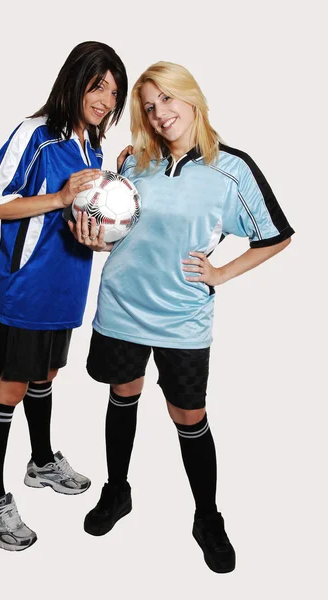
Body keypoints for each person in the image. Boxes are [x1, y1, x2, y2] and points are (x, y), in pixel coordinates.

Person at [75, 61, 294, 573]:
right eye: (148, 107)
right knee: (122, 395)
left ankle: (207, 517)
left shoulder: (231, 168)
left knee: (188, 417)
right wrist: (94, 226)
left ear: (191, 98)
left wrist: (220, 273)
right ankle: (117, 492)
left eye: (167, 100)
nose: (159, 113)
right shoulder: (135, 164)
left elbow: (276, 235)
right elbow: (114, 228)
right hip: (121, 309)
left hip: (181, 320)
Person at [0, 41, 128, 552]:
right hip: (27, 288)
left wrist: (106, 209)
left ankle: (41, 462)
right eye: (98, 84)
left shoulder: (94, 146)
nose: (105, 98)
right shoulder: (35, 133)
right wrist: (59, 197)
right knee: (10, 386)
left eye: (114, 92)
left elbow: (86, 215)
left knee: (46, 375)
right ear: (75, 79)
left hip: (68, 285)